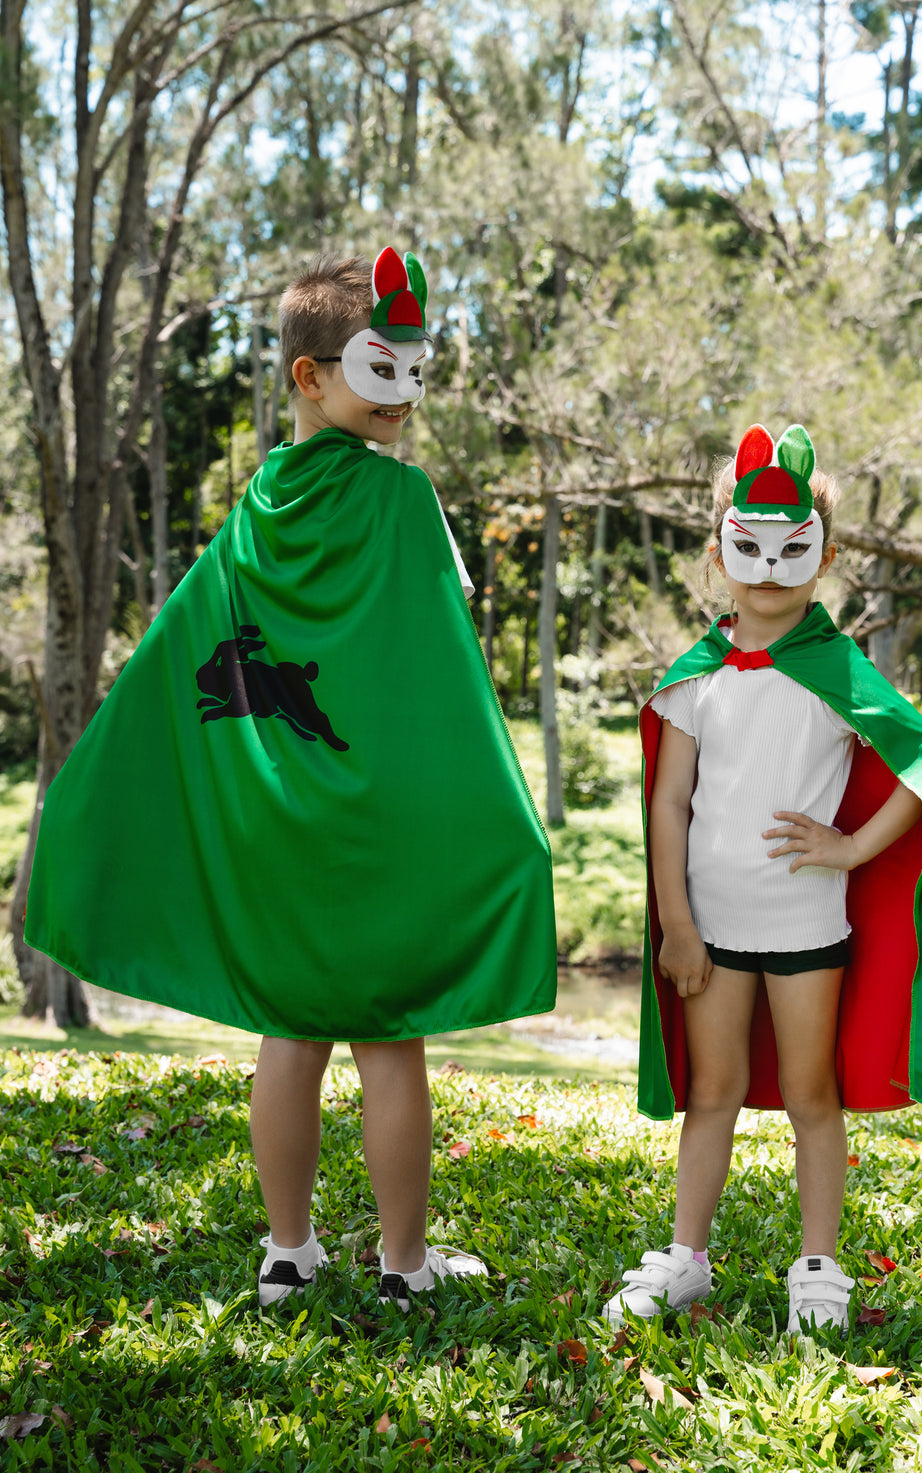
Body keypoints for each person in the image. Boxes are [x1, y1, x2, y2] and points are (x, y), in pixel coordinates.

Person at [25, 248, 557, 1310]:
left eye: (417, 368)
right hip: (379, 822)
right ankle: (403, 1266)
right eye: (382, 367)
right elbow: (440, 656)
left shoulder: (256, 508)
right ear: (311, 376)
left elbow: (188, 646)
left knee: (292, 1028)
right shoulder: (405, 504)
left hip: (282, 823)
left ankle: (288, 1252)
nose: (405, 394)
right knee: (390, 1035)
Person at [604, 422, 922, 1334]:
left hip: (809, 925)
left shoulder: (838, 670)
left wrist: (850, 850)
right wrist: (676, 925)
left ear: (826, 556)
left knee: (813, 1097)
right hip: (711, 929)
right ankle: (687, 1258)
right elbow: (669, 805)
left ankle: (818, 1269)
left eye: (792, 549)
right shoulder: (695, 678)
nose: (769, 569)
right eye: (749, 548)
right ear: (721, 551)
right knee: (713, 1094)